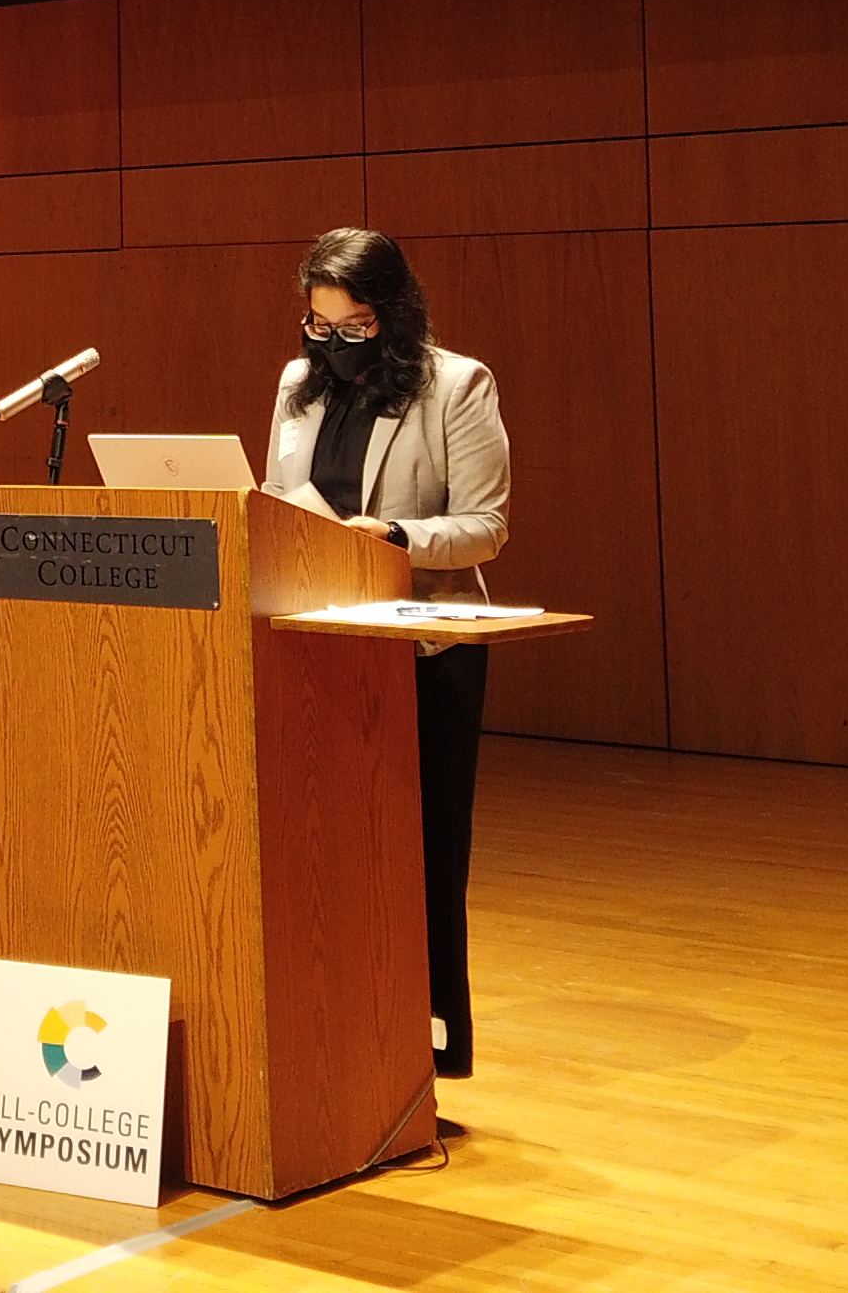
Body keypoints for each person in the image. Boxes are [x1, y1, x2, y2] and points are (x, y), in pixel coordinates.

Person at [261, 226, 509, 1080]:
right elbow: (275, 504)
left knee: (424, 854)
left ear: (395, 317)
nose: (332, 347)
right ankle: (329, 1028)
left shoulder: (457, 386)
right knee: (321, 850)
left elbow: (486, 527)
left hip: (423, 646)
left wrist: (393, 533)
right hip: (316, 643)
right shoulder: (298, 381)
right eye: (319, 328)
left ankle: (434, 1040)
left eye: (355, 329)